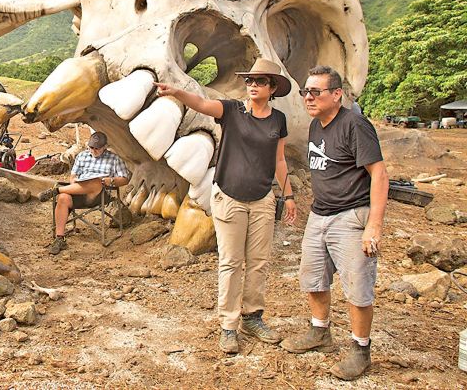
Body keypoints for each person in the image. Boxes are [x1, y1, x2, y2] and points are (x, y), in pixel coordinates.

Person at [155, 58, 296, 354]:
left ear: (272, 88)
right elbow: (202, 104)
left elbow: (280, 160)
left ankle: (253, 317)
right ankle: (229, 326)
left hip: (262, 200)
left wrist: (290, 196)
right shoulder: (232, 110)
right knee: (231, 262)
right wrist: (177, 92)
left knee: (258, 261)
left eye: (260, 81)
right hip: (230, 197)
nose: (253, 86)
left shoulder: (277, 120)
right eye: (250, 81)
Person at [281, 65, 388, 381]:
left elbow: (379, 174)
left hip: (351, 216)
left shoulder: (355, 125)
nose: (308, 97)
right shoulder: (317, 125)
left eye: (316, 92)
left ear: (337, 94)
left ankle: (360, 349)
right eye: (305, 92)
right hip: (320, 214)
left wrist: (374, 226)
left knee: (357, 286)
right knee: (313, 278)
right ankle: (320, 332)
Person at [38, 131, 129, 255]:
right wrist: (74, 181)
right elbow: (73, 177)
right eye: (91, 147)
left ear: (105, 147)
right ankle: (60, 238)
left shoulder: (114, 159)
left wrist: (111, 180)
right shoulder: (82, 156)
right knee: (64, 198)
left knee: (97, 181)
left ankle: (56, 191)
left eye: (97, 148)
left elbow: (125, 179)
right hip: (78, 192)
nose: (93, 150)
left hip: (98, 195)